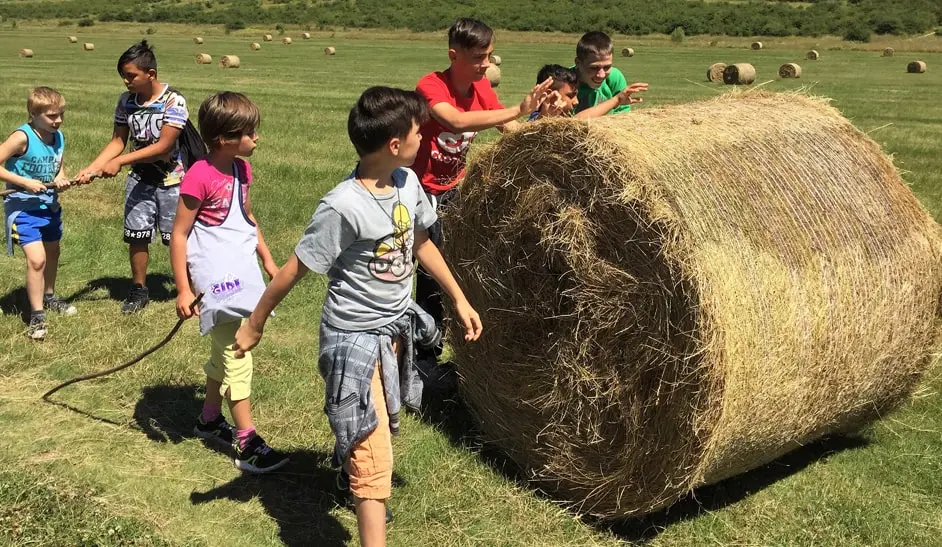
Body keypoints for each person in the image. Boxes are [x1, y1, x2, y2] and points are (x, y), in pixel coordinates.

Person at [232, 86, 483, 546]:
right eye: (416, 132)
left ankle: (347, 464)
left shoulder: (408, 183)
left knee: (381, 421)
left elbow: (422, 244)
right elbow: (295, 268)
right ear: (393, 145)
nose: (422, 139)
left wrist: (459, 299)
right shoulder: (342, 205)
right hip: (353, 339)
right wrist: (254, 323)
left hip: (393, 329)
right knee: (374, 453)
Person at [411, 17, 551, 386]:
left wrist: (546, 126)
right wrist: (518, 109)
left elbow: (510, 130)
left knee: (458, 269)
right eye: (478, 58)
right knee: (429, 276)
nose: (487, 64)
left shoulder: (482, 87)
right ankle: (422, 358)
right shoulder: (430, 85)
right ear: (453, 55)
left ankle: (449, 346)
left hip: (455, 189)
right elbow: (455, 121)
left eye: (488, 56)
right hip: (419, 191)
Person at [168, 91, 287, 473]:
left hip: (240, 267)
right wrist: (184, 288)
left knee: (227, 345)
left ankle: (208, 418)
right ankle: (246, 440)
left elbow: (247, 218)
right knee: (238, 350)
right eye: (250, 133)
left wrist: (267, 257)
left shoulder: (241, 170)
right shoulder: (198, 176)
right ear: (223, 138)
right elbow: (180, 235)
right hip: (216, 277)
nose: (257, 139)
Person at [76, 40, 190, 313]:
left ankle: (189, 287)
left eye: (131, 75)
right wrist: (91, 168)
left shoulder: (174, 100)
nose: (126, 81)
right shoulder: (126, 101)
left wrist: (120, 162)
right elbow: (117, 140)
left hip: (173, 181)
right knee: (137, 235)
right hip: (140, 180)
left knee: (177, 237)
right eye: (123, 76)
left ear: (150, 74)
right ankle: (138, 289)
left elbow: (163, 147)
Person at [0, 87, 76, 340]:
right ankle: (36, 316)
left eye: (61, 114)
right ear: (33, 114)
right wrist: (24, 182)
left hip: (49, 206)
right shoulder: (22, 137)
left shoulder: (58, 136)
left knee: (53, 252)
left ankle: (50, 295)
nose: (58, 120)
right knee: (37, 260)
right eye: (52, 116)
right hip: (22, 208)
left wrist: (61, 179)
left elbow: (58, 167)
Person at [572, 31, 648, 117]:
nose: (601, 75)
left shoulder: (614, 77)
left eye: (607, 67)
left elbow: (621, 117)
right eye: (594, 68)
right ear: (578, 63)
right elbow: (570, 123)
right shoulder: (564, 83)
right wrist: (616, 100)